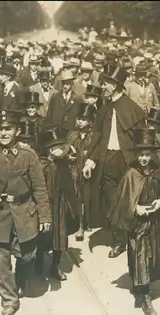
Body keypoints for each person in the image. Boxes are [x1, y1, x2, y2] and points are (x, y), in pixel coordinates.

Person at [0, 109, 51, 315]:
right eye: (1, 129)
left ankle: (20, 281)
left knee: (27, 255)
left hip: (25, 211)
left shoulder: (29, 156)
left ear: (17, 131)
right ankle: (9, 300)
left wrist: (45, 216)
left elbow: (40, 188)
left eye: (8, 129)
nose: (4, 133)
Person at [107, 127, 160, 315]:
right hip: (137, 224)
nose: (144, 158)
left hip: (153, 222)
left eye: (147, 154)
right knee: (139, 254)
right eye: (141, 155)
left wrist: (159, 202)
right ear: (137, 155)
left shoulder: (157, 172)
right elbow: (122, 201)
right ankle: (145, 295)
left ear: (152, 155)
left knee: (151, 256)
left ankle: (142, 285)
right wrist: (135, 209)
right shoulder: (131, 174)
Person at [82, 65, 147, 259]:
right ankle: (119, 240)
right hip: (107, 159)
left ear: (117, 86)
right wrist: (90, 160)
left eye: (108, 83)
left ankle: (134, 235)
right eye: (104, 83)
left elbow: (142, 138)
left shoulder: (132, 108)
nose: (104, 87)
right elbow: (98, 137)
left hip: (127, 160)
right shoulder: (105, 108)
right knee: (112, 200)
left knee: (130, 199)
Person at [35, 126, 80, 281]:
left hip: (60, 204)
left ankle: (55, 265)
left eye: (60, 146)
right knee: (43, 236)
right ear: (48, 150)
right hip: (46, 205)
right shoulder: (41, 165)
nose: (60, 149)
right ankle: (38, 262)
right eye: (55, 147)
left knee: (60, 236)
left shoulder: (63, 163)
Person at [67, 101, 96, 240]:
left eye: (83, 119)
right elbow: (67, 148)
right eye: (78, 119)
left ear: (90, 121)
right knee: (78, 197)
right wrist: (69, 155)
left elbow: (96, 152)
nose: (80, 122)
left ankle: (89, 221)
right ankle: (80, 226)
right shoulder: (73, 135)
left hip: (89, 170)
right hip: (74, 170)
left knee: (88, 197)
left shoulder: (93, 136)